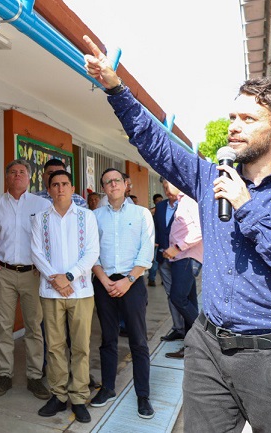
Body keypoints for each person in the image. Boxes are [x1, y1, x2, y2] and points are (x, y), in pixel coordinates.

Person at [83, 34, 271, 432]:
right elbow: (154, 143)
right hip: (207, 347)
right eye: (233, 117)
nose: (234, 127)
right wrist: (115, 89)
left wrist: (246, 209)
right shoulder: (209, 175)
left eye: (248, 119)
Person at [31, 170, 99, 423]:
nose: (60, 188)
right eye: (55, 185)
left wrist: (68, 277)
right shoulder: (40, 218)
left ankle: (79, 397)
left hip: (80, 292)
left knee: (81, 347)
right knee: (56, 347)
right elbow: (36, 252)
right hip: (50, 292)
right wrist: (56, 280)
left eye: (64, 184)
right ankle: (58, 395)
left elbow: (92, 251)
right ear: (48, 190)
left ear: (72, 189)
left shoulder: (86, 216)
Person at [91, 168, 156, 420]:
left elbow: (146, 252)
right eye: (107, 182)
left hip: (132, 282)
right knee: (108, 339)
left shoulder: (141, 214)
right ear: (103, 188)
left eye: (117, 180)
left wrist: (128, 280)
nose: (113, 184)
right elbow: (92, 251)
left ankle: (143, 394)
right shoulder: (95, 216)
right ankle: (107, 388)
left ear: (126, 184)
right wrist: (104, 279)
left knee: (138, 341)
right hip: (104, 283)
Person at [0, 160, 50, 400]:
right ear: (6, 177)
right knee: (3, 327)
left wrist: (45, 265)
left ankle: (35, 376)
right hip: (3, 273)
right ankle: (5, 374)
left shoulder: (41, 204)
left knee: (34, 326)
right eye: (12, 172)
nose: (17, 175)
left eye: (22, 172)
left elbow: (49, 237)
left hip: (33, 274)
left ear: (29, 177)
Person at [159, 179, 202, 360]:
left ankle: (203, 339)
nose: (166, 189)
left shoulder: (189, 201)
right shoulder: (182, 202)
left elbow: (200, 230)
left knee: (178, 297)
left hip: (186, 256)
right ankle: (193, 345)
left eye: (167, 184)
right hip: (181, 257)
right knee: (189, 300)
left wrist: (176, 247)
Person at [153, 181, 185, 342]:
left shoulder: (186, 204)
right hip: (163, 257)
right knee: (170, 294)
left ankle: (190, 329)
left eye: (170, 185)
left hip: (183, 258)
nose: (167, 190)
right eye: (164, 187)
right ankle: (178, 328)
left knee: (182, 295)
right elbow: (158, 229)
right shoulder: (160, 207)